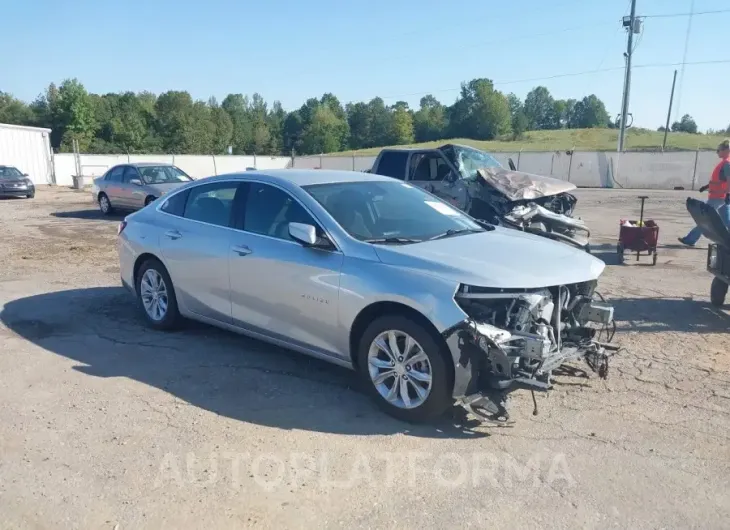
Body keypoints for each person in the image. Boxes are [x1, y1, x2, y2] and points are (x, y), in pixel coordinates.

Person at [678, 139, 730, 246]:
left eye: (719, 150)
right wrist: (706, 186)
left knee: (704, 218)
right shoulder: (724, 163)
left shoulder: (727, 164)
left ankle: (690, 239)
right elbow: (720, 180)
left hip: (718, 196)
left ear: (726, 150)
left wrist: (728, 194)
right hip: (720, 196)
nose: (717, 152)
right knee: (726, 221)